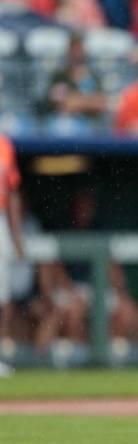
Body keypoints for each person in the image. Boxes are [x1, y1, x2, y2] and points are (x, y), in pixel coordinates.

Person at [0, 134, 24, 368]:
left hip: (0, 221)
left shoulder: (4, 144)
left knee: (3, 297)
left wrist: (16, 237)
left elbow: (13, 191)